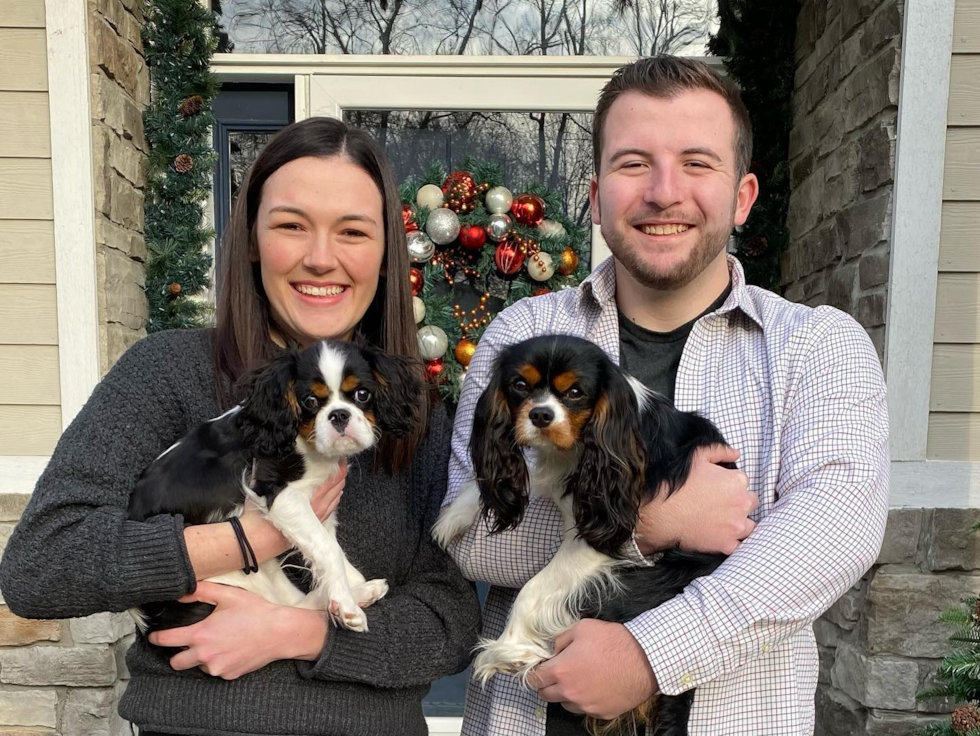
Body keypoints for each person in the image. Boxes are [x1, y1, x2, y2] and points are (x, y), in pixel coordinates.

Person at [444, 55, 889, 736]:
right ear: (595, 195)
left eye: (696, 163)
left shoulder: (816, 347)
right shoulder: (525, 334)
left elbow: (827, 538)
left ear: (741, 196)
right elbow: (471, 537)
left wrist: (649, 656)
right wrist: (646, 517)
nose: (663, 191)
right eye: (632, 164)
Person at [0, 117, 481, 736]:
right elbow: (40, 567)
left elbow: (450, 620)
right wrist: (250, 539)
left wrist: (297, 632)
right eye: (291, 225)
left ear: (386, 251)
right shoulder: (166, 372)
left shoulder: (414, 409)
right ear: (251, 239)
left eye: (353, 231)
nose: (320, 257)